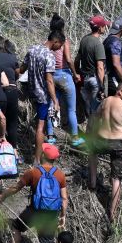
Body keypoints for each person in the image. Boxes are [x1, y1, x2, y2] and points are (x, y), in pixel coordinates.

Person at [0, 143, 68, 243]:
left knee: (17, 227)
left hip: (35, 211)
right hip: (51, 214)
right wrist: (62, 215)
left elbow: (16, 188)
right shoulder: (60, 175)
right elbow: (64, 198)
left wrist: (2, 196)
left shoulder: (33, 172)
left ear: (44, 155)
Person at [88, 81, 122, 226]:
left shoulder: (105, 102)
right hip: (118, 144)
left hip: (101, 140)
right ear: (120, 91)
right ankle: (112, 213)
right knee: (116, 179)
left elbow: (94, 118)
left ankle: (93, 182)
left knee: (92, 153)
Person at [21, 31, 63, 163]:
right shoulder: (49, 56)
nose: (59, 48)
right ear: (55, 41)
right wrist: (55, 100)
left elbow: (22, 69)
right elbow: (49, 80)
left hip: (31, 91)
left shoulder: (32, 49)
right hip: (43, 96)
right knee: (40, 127)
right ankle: (37, 160)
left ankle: (36, 151)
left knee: (38, 124)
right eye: (60, 45)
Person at [47, 14, 80, 146]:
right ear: (63, 26)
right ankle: (75, 137)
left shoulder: (49, 40)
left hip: (51, 75)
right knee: (71, 109)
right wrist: (75, 73)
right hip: (64, 75)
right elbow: (68, 58)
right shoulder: (63, 41)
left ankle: (50, 135)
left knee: (51, 106)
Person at [0, 36, 21, 148]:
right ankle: (13, 151)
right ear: (2, 46)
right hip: (11, 91)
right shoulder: (11, 57)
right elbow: (17, 73)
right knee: (12, 123)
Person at [75, 16, 109, 116]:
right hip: (95, 80)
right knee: (96, 110)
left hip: (85, 79)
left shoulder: (84, 40)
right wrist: (102, 86)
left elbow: (77, 60)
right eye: (104, 26)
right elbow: (100, 67)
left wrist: (78, 73)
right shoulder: (98, 44)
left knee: (88, 109)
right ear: (100, 28)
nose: (105, 27)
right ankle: (93, 130)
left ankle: (89, 129)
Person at [103, 17, 122, 95]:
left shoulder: (109, 39)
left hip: (113, 78)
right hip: (114, 79)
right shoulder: (115, 42)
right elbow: (116, 64)